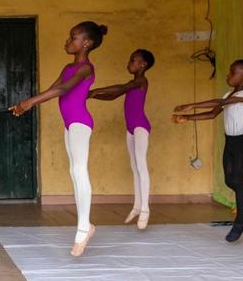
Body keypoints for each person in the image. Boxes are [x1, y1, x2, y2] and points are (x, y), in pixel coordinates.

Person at [10, 21, 107, 257]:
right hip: (69, 124)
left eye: (73, 37)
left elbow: (63, 91)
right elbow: (53, 89)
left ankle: (84, 227)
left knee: (80, 170)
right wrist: (26, 105)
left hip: (81, 122)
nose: (68, 41)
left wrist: (28, 103)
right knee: (74, 172)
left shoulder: (86, 68)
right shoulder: (67, 67)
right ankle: (85, 225)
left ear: (87, 43)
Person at [173, 59, 243, 242]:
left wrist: (192, 105)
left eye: (232, 72)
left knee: (237, 180)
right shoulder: (229, 93)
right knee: (230, 181)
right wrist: (188, 118)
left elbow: (220, 102)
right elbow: (213, 113)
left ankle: (240, 222)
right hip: (230, 141)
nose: (228, 75)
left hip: (241, 142)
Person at [89, 49, 155, 230]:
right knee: (134, 168)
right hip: (130, 128)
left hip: (141, 126)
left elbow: (120, 88)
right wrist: (93, 95)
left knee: (142, 166)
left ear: (143, 65)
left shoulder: (141, 81)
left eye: (133, 60)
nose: (129, 63)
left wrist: (94, 90)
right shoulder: (133, 82)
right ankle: (136, 205)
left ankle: (145, 209)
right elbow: (113, 95)